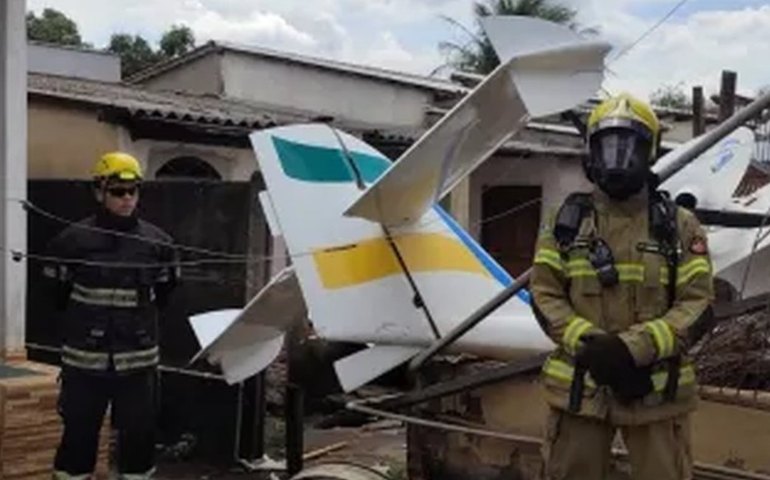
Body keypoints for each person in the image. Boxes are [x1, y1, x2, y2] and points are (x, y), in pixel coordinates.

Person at [530, 93, 714, 480]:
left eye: (629, 147)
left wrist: (632, 350)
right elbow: (544, 295)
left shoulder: (679, 226)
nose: (617, 158)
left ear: (649, 152)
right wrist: (594, 348)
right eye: (608, 146)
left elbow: (696, 304)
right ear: (591, 153)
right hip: (581, 393)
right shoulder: (564, 223)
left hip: (656, 395)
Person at [43, 152, 178, 480]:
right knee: (78, 440)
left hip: (138, 364)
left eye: (133, 191)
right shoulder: (71, 243)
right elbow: (54, 297)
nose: (127, 199)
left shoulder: (159, 244)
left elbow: (165, 295)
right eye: (118, 191)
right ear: (99, 192)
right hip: (85, 364)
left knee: (139, 442)